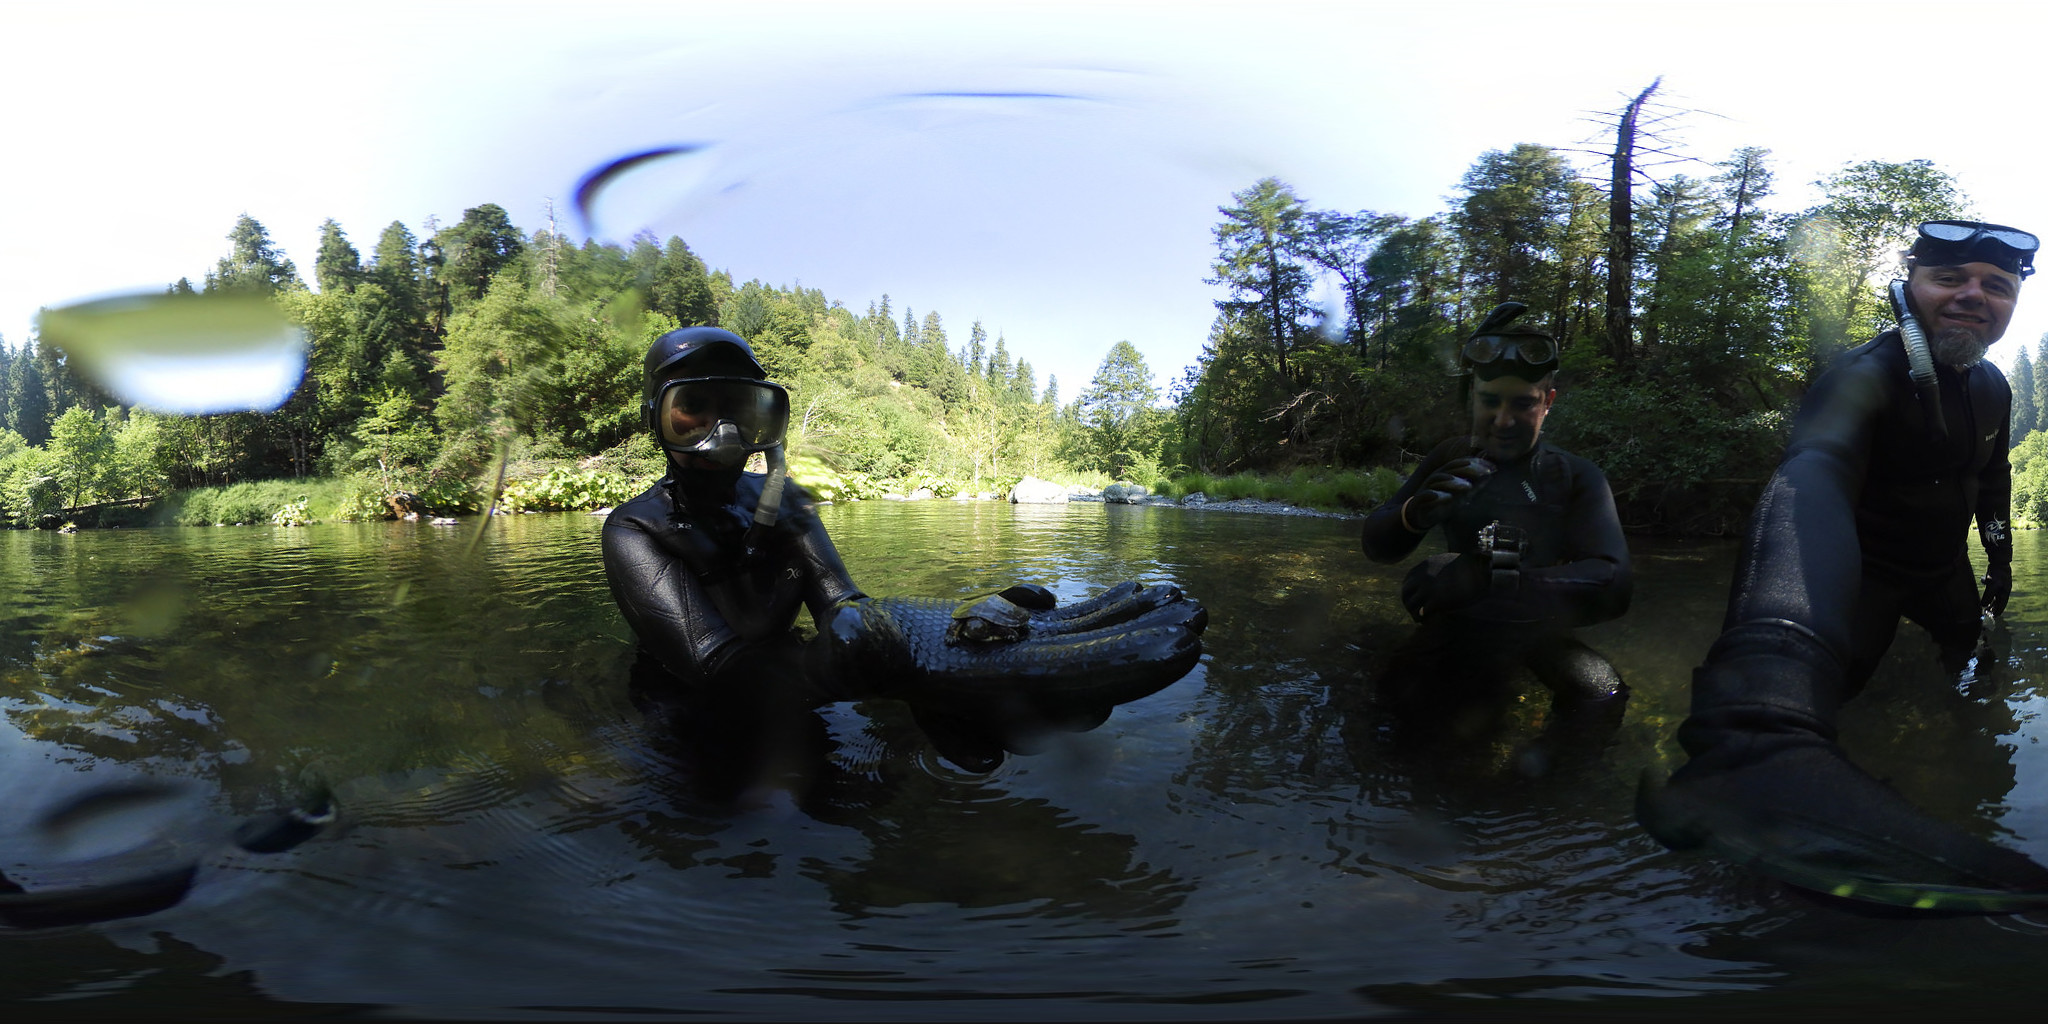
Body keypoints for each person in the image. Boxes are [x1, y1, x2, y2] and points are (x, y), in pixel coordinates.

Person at [1639, 220, 2048, 906]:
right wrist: (1761, 704)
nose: (1974, 295)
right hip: (1865, 576)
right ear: (1910, 286)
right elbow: (1812, 475)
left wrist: (2000, 561)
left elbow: (1995, 479)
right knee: (1831, 702)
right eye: (1950, 278)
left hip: (1945, 571)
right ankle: (1764, 762)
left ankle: (1959, 759)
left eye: (1997, 286)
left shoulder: (1993, 389)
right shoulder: (1865, 375)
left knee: (1969, 673)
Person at [602, 327, 1206, 780]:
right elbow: (716, 670)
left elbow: (846, 608)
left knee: (872, 797)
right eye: (692, 412)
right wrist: (857, 666)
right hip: (689, 708)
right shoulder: (636, 530)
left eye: (739, 410)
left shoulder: (782, 501)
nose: (722, 431)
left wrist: (933, 668)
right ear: (657, 418)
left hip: (796, 686)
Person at [1358, 302, 1632, 735]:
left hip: (1537, 627)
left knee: (1601, 693)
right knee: (1387, 706)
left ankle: (1550, 799)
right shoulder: (1452, 457)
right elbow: (1376, 545)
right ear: (1472, 397)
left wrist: (1492, 580)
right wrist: (1413, 515)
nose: (1503, 421)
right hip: (1456, 621)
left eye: (1523, 404)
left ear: (1548, 403)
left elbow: (1615, 583)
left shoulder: (1575, 476)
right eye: (1489, 402)